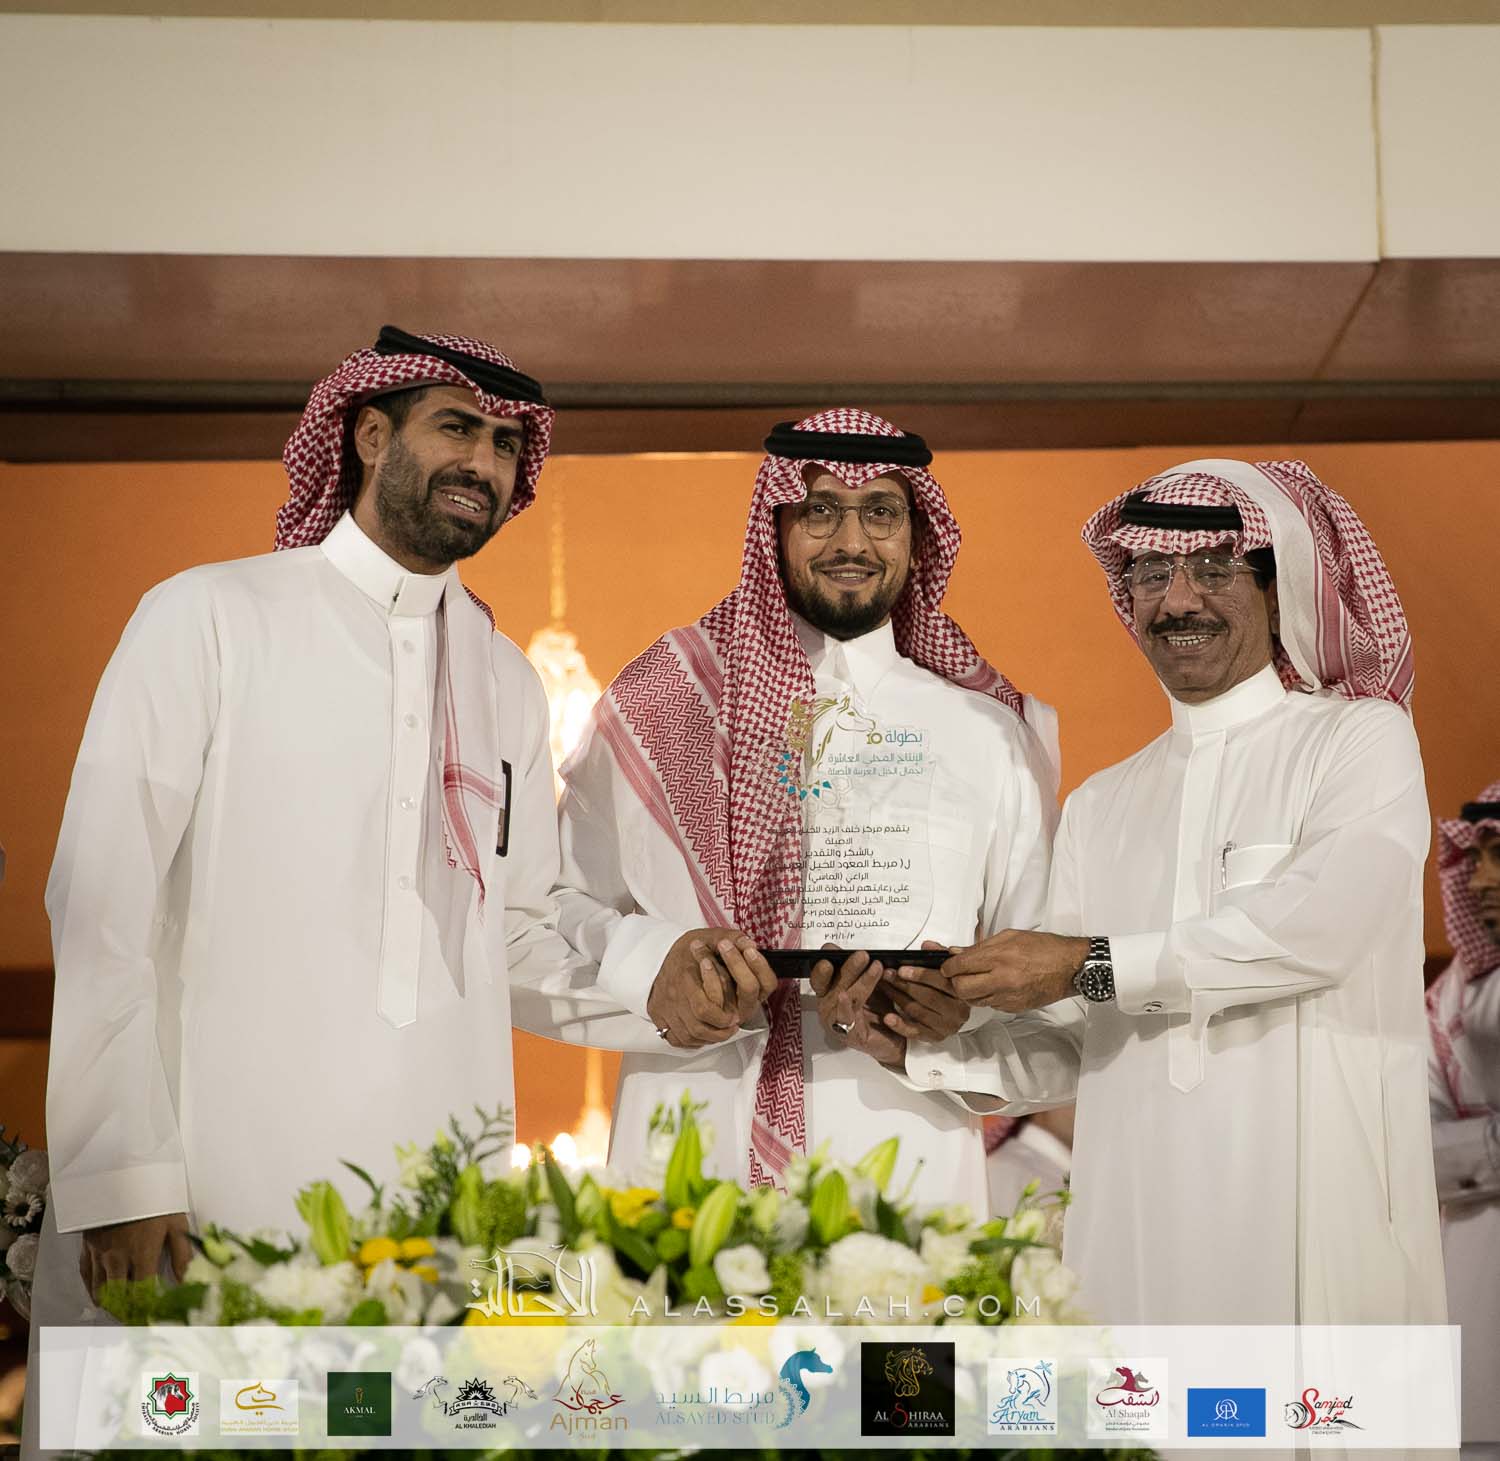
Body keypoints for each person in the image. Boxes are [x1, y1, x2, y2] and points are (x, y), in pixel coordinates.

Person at [30, 328, 580, 1383]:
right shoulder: (209, 614)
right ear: (370, 435)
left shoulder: (507, 679)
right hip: (207, 1184)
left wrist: (668, 981)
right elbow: (101, 899)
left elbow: (515, 935)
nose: (485, 462)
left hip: (431, 1210)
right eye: (457, 428)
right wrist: (122, 1173)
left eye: (508, 444)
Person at [908, 458, 1445, 1326]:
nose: (1177, 600)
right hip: (1136, 1233)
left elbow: (1318, 930)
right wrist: (928, 1039)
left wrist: (1081, 963)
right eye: (1151, 573)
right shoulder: (1102, 803)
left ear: (1278, 589)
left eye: (1215, 569)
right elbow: (1071, 1038)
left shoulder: (1358, 742)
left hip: (1311, 1224)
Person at [553, 409, 1057, 1208]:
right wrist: (653, 966)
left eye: (881, 512)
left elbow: (1050, 1010)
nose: (851, 541)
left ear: (917, 536)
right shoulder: (665, 705)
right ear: (776, 526)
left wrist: (951, 1031)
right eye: (820, 509)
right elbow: (548, 907)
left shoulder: (991, 736)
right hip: (690, 1148)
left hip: (906, 1166)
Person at [1428, 785, 1500, 1456]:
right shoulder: (1446, 998)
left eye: (1497, 857)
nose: (1480, 881)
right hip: (1470, 1270)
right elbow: (1413, 1147)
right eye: (1474, 859)